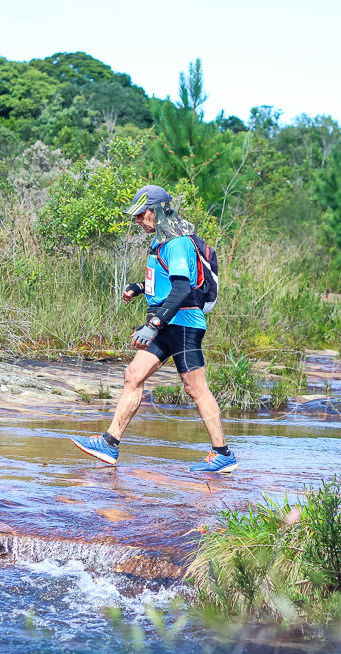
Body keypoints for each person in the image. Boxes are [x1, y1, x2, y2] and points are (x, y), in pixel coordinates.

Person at [69, 185, 238, 473]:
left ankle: (222, 454)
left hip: (183, 324)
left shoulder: (176, 243)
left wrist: (153, 324)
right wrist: (138, 288)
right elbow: (165, 281)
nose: (137, 221)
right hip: (166, 323)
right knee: (132, 375)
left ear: (156, 211)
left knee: (195, 388)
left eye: (140, 215)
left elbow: (183, 288)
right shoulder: (160, 242)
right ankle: (110, 443)